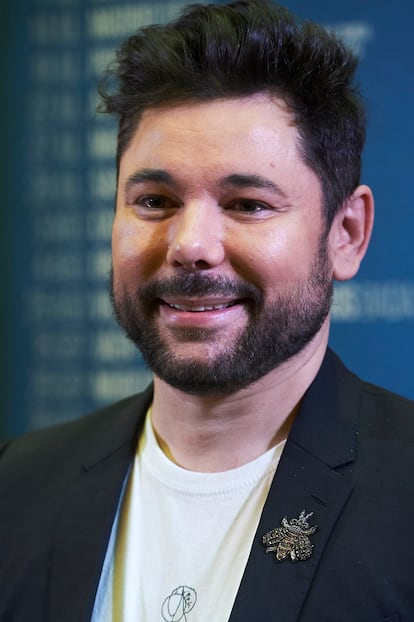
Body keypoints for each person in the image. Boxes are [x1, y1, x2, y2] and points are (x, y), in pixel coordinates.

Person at [1, 1, 414, 620]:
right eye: (154, 200)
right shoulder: (18, 484)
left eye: (248, 204)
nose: (191, 245)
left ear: (346, 234)